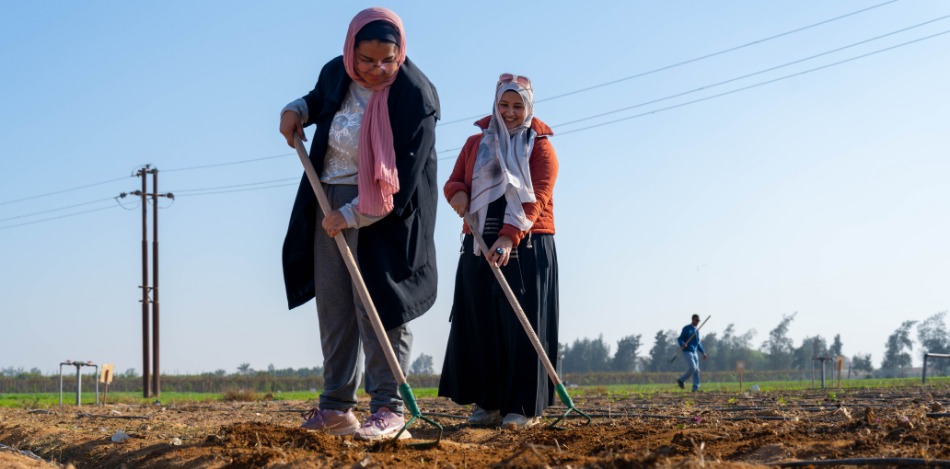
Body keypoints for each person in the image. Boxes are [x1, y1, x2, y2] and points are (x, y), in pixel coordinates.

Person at [278, 7, 439, 441]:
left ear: (400, 52)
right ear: (351, 52)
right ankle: (335, 408)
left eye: (387, 59)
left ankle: (389, 408)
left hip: (387, 211)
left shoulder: (415, 95)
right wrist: (295, 110)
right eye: (366, 60)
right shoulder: (337, 72)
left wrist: (353, 214)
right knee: (334, 305)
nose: (377, 69)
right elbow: (317, 100)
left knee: (380, 307)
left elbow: (403, 181)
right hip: (327, 196)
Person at [438, 73, 559, 430]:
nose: (509, 112)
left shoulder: (540, 149)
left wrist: (509, 236)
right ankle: (487, 403)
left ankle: (523, 407)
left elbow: (536, 200)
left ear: (529, 107)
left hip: (527, 245)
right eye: (503, 105)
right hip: (478, 242)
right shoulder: (476, 144)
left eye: (517, 106)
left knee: (520, 328)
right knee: (481, 324)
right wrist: (457, 193)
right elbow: (455, 181)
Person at [676, 314, 708, 392]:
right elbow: (680, 339)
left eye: (698, 321)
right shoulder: (687, 328)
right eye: (696, 320)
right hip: (687, 351)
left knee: (697, 370)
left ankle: (695, 388)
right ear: (693, 320)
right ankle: (681, 380)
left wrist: (703, 352)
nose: (697, 322)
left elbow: (698, 343)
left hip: (694, 351)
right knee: (693, 368)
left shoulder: (697, 330)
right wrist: (682, 343)